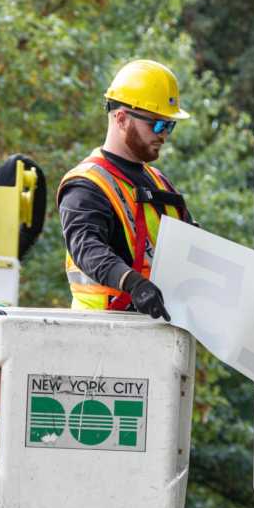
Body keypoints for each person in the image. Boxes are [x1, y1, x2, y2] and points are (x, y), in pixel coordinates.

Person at [58, 59, 193, 319]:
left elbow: (196, 247)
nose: (164, 134)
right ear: (121, 118)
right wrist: (133, 283)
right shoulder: (87, 184)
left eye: (169, 125)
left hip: (157, 333)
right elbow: (86, 247)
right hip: (99, 333)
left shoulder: (160, 183)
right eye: (157, 124)